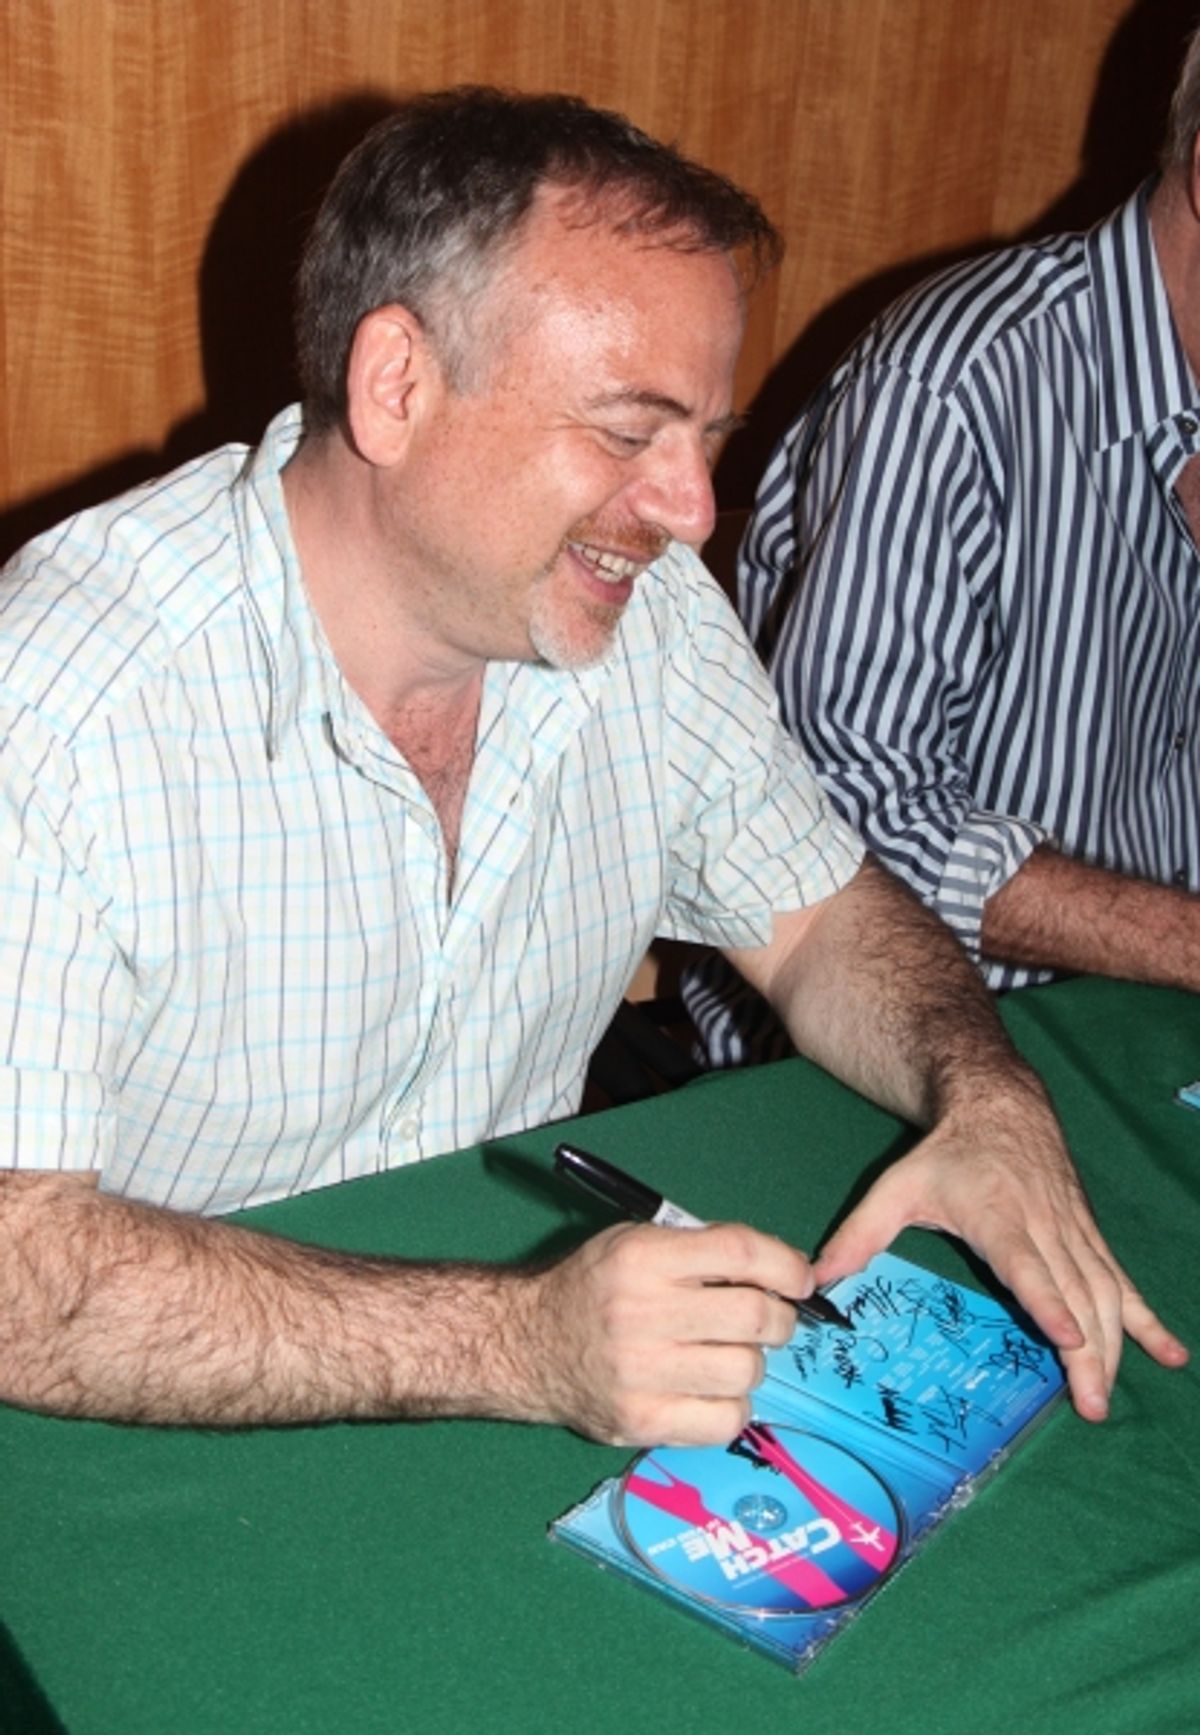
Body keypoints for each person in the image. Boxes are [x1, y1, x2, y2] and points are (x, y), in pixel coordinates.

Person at [0, 90, 1183, 1447]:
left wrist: (986, 1091)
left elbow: (821, 922)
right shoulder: (66, 696)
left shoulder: (648, 618)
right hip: (125, 1428)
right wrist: (512, 1339)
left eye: (707, 439)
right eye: (629, 433)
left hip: (502, 1381)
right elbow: (17, 1271)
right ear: (396, 386)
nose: (693, 511)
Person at [687, 28, 1200, 1087]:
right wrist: (1182, 941)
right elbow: (844, 825)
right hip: (888, 1052)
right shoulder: (954, 385)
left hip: (1148, 1026)